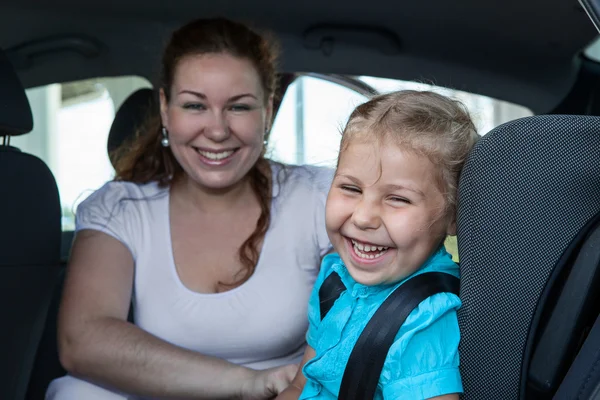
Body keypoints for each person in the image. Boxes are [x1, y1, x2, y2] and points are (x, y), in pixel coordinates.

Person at [47, 17, 334, 400]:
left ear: (267, 109)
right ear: (166, 109)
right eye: (195, 105)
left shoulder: (318, 196)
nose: (216, 131)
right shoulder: (121, 209)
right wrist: (246, 383)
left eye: (238, 107)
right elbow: (82, 339)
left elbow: (360, 320)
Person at [276, 90, 480, 400]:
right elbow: (301, 386)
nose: (363, 217)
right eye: (350, 188)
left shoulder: (424, 318)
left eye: (398, 199)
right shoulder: (335, 279)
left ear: (453, 216)